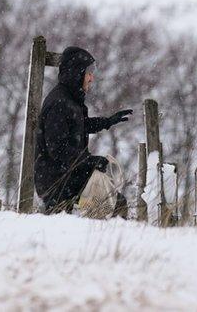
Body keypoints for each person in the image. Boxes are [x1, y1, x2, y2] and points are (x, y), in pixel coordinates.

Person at [34, 45, 133, 215]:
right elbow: (58, 150)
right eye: (88, 73)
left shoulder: (69, 100)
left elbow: (79, 126)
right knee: (114, 207)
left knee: (114, 205)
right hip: (57, 183)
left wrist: (107, 121)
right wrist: (90, 162)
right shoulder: (59, 103)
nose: (91, 78)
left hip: (69, 176)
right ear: (76, 73)